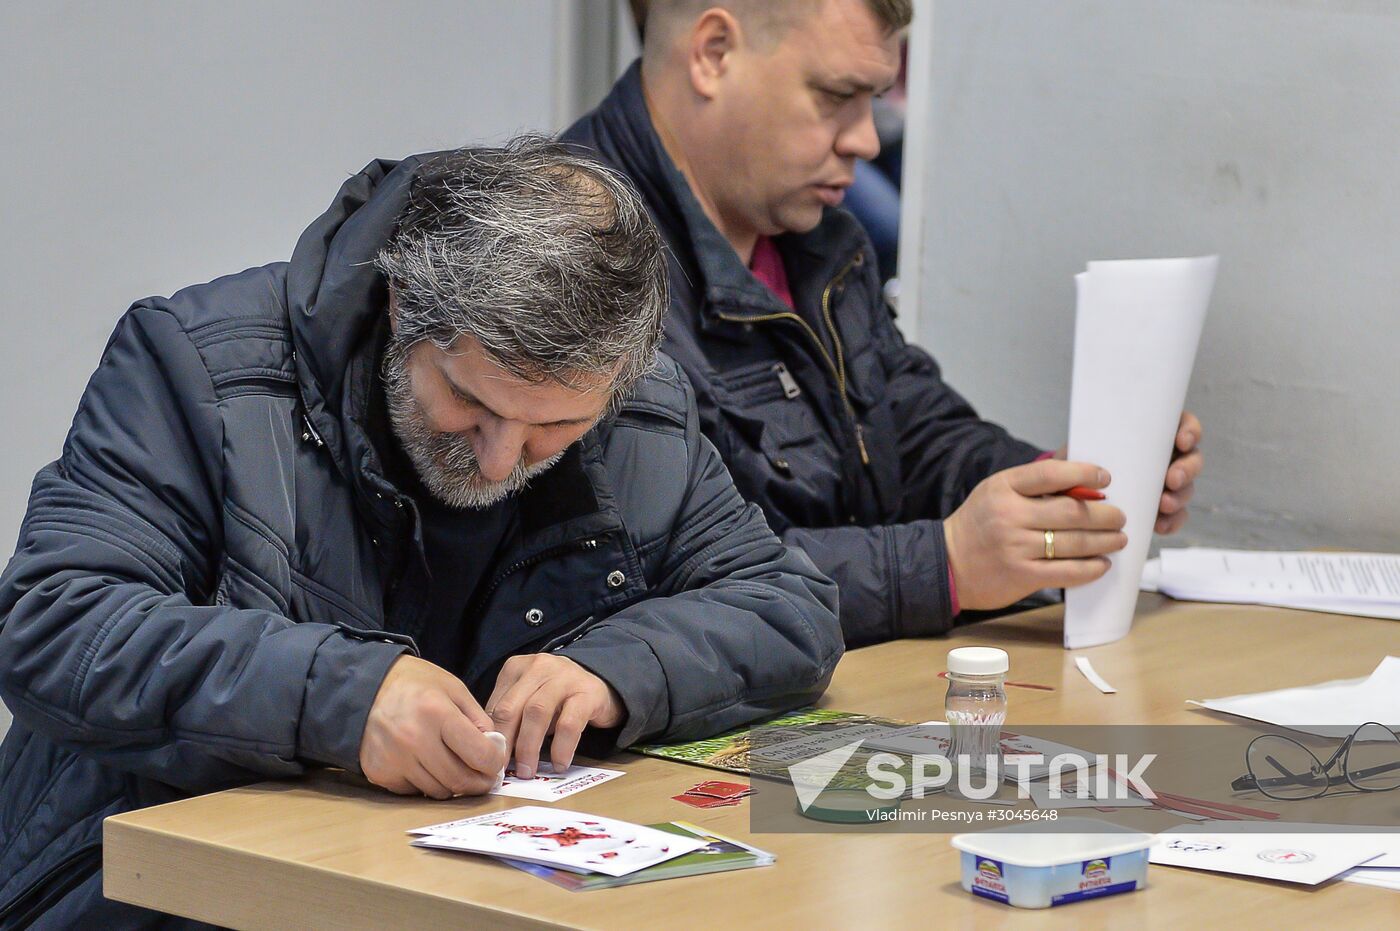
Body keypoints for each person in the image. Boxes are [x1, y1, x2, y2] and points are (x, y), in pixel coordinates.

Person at [0, 138, 840, 926]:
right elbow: (55, 621)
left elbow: (786, 605)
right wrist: (342, 696)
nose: (503, 456)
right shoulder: (198, 367)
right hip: (160, 897)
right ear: (404, 305)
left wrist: (616, 672)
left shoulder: (638, 411)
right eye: (471, 402)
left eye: (556, 427)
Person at [562, 0, 1203, 645]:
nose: (866, 140)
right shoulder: (577, 263)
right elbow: (642, 582)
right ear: (713, 54)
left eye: (873, 99)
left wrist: (1057, 492)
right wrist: (942, 566)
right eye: (836, 95)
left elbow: (906, 425)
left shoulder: (821, 243)